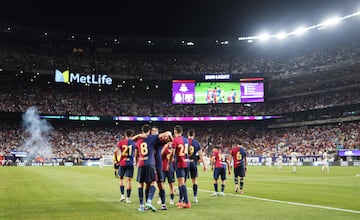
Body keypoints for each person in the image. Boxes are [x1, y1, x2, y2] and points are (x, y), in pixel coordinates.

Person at [134, 124, 172, 212]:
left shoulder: (159, 141)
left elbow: (169, 140)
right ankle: (148, 203)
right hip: (150, 164)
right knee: (148, 184)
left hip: (158, 165)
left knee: (160, 184)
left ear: (158, 133)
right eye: (153, 131)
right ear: (150, 132)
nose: (154, 132)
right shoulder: (150, 139)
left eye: (156, 131)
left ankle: (163, 204)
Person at [171, 125, 191, 208]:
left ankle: (186, 202)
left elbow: (172, 153)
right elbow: (189, 151)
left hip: (180, 163)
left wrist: (170, 161)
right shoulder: (186, 140)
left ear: (175, 132)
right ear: (182, 132)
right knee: (181, 183)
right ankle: (181, 200)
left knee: (181, 183)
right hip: (187, 163)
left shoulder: (175, 140)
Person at [114, 129, 137, 204]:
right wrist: (136, 161)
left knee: (121, 179)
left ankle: (122, 195)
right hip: (130, 163)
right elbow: (136, 152)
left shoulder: (121, 142)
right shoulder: (134, 143)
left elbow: (115, 151)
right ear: (132, 135)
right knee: (129, 181)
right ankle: (128, 198)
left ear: (125, 135)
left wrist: (117, 160)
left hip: (122, 163)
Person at [187, 128, 207, 203]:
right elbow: (201, 154)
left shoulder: (185, 141)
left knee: (183, 181)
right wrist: (204, 164)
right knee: (194, 180)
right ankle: (195, 197)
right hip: (193, 163)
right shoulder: (196, 143)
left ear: (188, 135)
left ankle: (183, 198)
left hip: (185, 162)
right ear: (194, 135)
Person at [161, 140, 176, 205]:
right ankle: (161, 199)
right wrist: (165, 147)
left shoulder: (173, 148)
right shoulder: (163, 147)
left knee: (171, 185)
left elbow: (173, 159)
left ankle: (171, 199)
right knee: (161, 185)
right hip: (163, 168)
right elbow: (160, 155)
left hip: (170, 169)